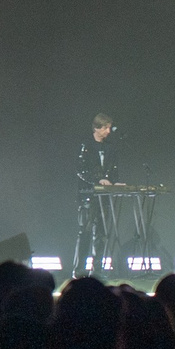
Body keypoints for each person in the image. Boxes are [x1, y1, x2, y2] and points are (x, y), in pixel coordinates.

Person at [75, 113, 123, 273]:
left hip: (104, 196)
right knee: (86, 232)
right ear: (97, 128)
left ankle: (97, 271)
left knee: (101, 233)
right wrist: (98, 180)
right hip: (88, 194)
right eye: (106, 127)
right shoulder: (86, 145)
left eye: (109, 127)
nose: (108, 131)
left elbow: (114, 169)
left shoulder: (110, 147)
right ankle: (79, 269)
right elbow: (81, 170)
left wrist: (114, 182)